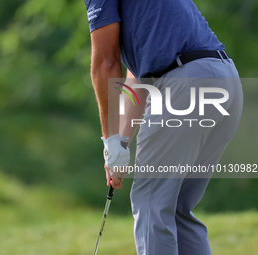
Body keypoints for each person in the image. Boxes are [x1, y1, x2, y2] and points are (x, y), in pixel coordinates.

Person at [84, 0, 243, 254]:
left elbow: (106, 63)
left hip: (185, 84)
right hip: (224, 81)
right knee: (177, 209)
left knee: (151, 203)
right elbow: (140, 75)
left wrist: (109, 140)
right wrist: (120, 145)